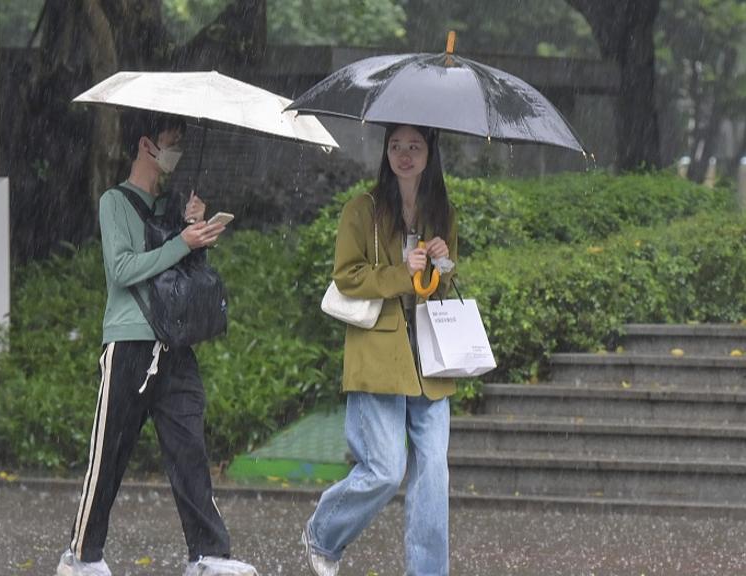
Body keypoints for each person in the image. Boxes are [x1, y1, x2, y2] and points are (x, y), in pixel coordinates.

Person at [56, 111, 258, 576]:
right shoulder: (115, 202)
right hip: (130, 344)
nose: (177, 152)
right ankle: (81, 555)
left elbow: (177, 274)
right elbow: (123, 270)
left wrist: (194, 231)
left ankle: (208, 555)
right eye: (172, 142)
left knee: (190, 449)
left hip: (174, 344)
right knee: (110, 454)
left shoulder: (170, 206)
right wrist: (182, 243)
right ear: (146, 144)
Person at [301, 124, 459, 576]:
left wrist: (441, 261)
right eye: (396, 146)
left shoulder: (442, 212)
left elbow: (440, 282)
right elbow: (347, 277)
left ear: (431, 152)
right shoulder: (361, 210)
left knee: (433, 478)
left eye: (415, 146)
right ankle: (323, 533)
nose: (404, 155)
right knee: (385, 471)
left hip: (429, 359)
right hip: (378, 356)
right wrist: (400, 274)